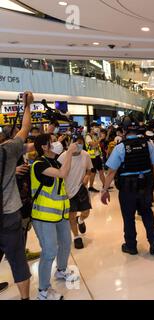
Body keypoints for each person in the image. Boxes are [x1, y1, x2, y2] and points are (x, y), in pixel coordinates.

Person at [101, 116, 154, 255]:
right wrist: (153, 181)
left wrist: (104, 190)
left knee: (129, 217)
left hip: (127, 189)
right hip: (145, 185)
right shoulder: (148, 144)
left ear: (124, 130)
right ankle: (153, 240)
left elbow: (111, 172)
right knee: (147, 213)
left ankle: (131, 246)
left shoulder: (120, 147)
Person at [31, 134, 79, 300]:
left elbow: (64, 173)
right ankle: (43, 291)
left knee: (66, 242)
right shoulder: (38, 164)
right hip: (43, 216)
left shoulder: (54, 161)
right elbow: (62, 173)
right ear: (44, 147)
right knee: (50, 251)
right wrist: (70, 152)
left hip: (60, 214)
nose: (57, 143)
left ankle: (61, 270)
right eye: (52, 141)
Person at [0, 91, 33, 300]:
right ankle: (25, 299)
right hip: (9, 214)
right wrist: (27, 104)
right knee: (17, 259)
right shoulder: (7, 151)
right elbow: (25, 129)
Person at [58, 135, 92, 249]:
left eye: (80, 142)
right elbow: (57, 174)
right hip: (68, 191)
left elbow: (89, 169)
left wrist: (87, 176)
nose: (78, 145)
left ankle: (81, 220)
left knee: (86, 212)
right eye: (76, 143)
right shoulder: (63, 157)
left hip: (81, 189)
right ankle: (76, 237)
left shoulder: (85, 155)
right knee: (71, 216)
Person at [85, 123, 105, 192]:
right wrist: (100, 139)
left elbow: (97, 144)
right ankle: (90, 187)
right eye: (95, 127)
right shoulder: (88, 136)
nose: (97, 128)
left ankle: (105, 185)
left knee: (101, 171)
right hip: (92, 157)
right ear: (91, 128)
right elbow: (93, 144)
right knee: (93, 172)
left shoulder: (94, 136)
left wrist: (99, 136)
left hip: (97, 156)